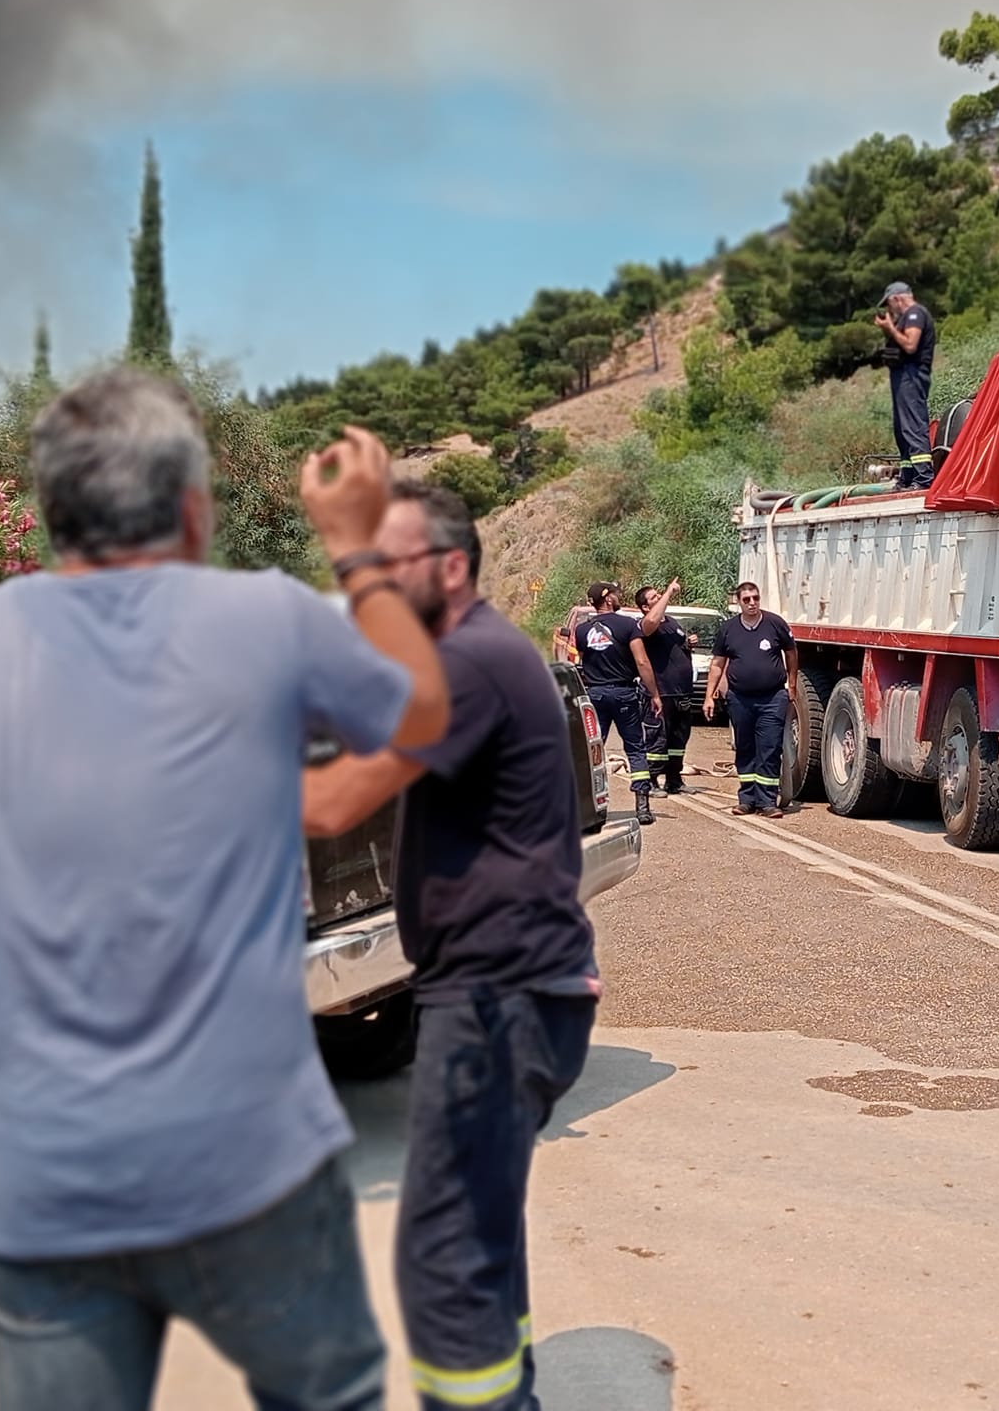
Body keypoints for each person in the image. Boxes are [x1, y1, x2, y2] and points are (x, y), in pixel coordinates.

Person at [0, 369, 452, 1411]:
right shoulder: (262, 620)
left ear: (51, 512)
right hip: (250, 1164)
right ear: (193, 510)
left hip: (45, 1185)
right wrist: (357, 548)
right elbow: (421, 714)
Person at [302, 480, 600, 1411]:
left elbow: (335, 801)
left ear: (451, 567)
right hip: (519, 990)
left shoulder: (467, 665)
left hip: (494, 1000)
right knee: (480, 1227)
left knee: (444, 1256)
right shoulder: (474, 656)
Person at [702, 580, 799, 818]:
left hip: (772, 698)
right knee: (745, 748)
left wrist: (792, 685)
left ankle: (767, 802)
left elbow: (791, 653)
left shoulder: (775, 624)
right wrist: (709, 696)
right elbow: (717, 664)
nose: (752, 603)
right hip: (740, 699)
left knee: (769, 748)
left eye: (755, 598)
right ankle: (746, 800)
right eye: (746, 599)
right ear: (738, 602)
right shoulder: (728, 629)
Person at [572, 581, 662, 825]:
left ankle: (589, 807)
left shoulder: (581, 631)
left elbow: (581, 663)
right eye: (615, 593)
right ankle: (642, 807)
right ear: (608, 599)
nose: (619, 595)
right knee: (635, 748)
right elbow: (642, 662)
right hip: (624, 694)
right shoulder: (627, 626)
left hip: (595, 696)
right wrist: (654, 694)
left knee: (592, 752)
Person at [875, 280, 937, 490]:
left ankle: (924, 478)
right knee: (902, 429)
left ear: (896, 299)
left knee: (913, 425)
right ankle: (908, 476)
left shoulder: (915, 314)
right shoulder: (907, 318)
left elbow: (910, 345)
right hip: (901, 377)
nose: (889, 310)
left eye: (889, 305)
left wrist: (890, 327)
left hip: (912, 376)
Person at [635, 580, 695, 795]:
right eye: (654, 597)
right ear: (644, 607)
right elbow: (651, 622)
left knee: (678, 738)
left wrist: (688, 644)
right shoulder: (646, 624)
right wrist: (669, 592)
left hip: (681, 691)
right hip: (661, 691)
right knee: (656, 738)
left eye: (659, 594)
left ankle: (674, 779)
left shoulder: (671, 623)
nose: (659, 597)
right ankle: (651, 781)